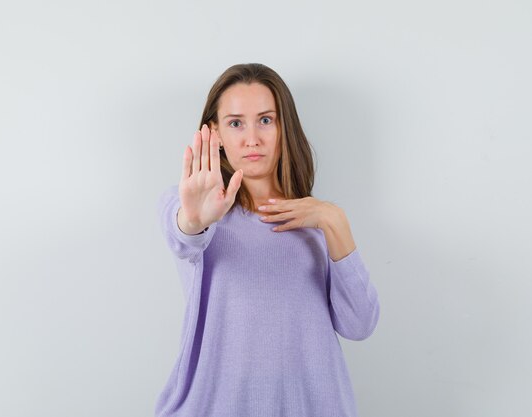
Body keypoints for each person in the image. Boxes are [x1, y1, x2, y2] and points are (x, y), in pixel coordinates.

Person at [154, 63, 380, 417]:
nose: (252, 139)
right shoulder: (191, 207)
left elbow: (360, 324)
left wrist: (334, 222)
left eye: (265, 120)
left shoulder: (316, 220)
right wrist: (194, 219)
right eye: (235, 123)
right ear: (215, 133)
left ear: (283, 126)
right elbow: (183, 236)